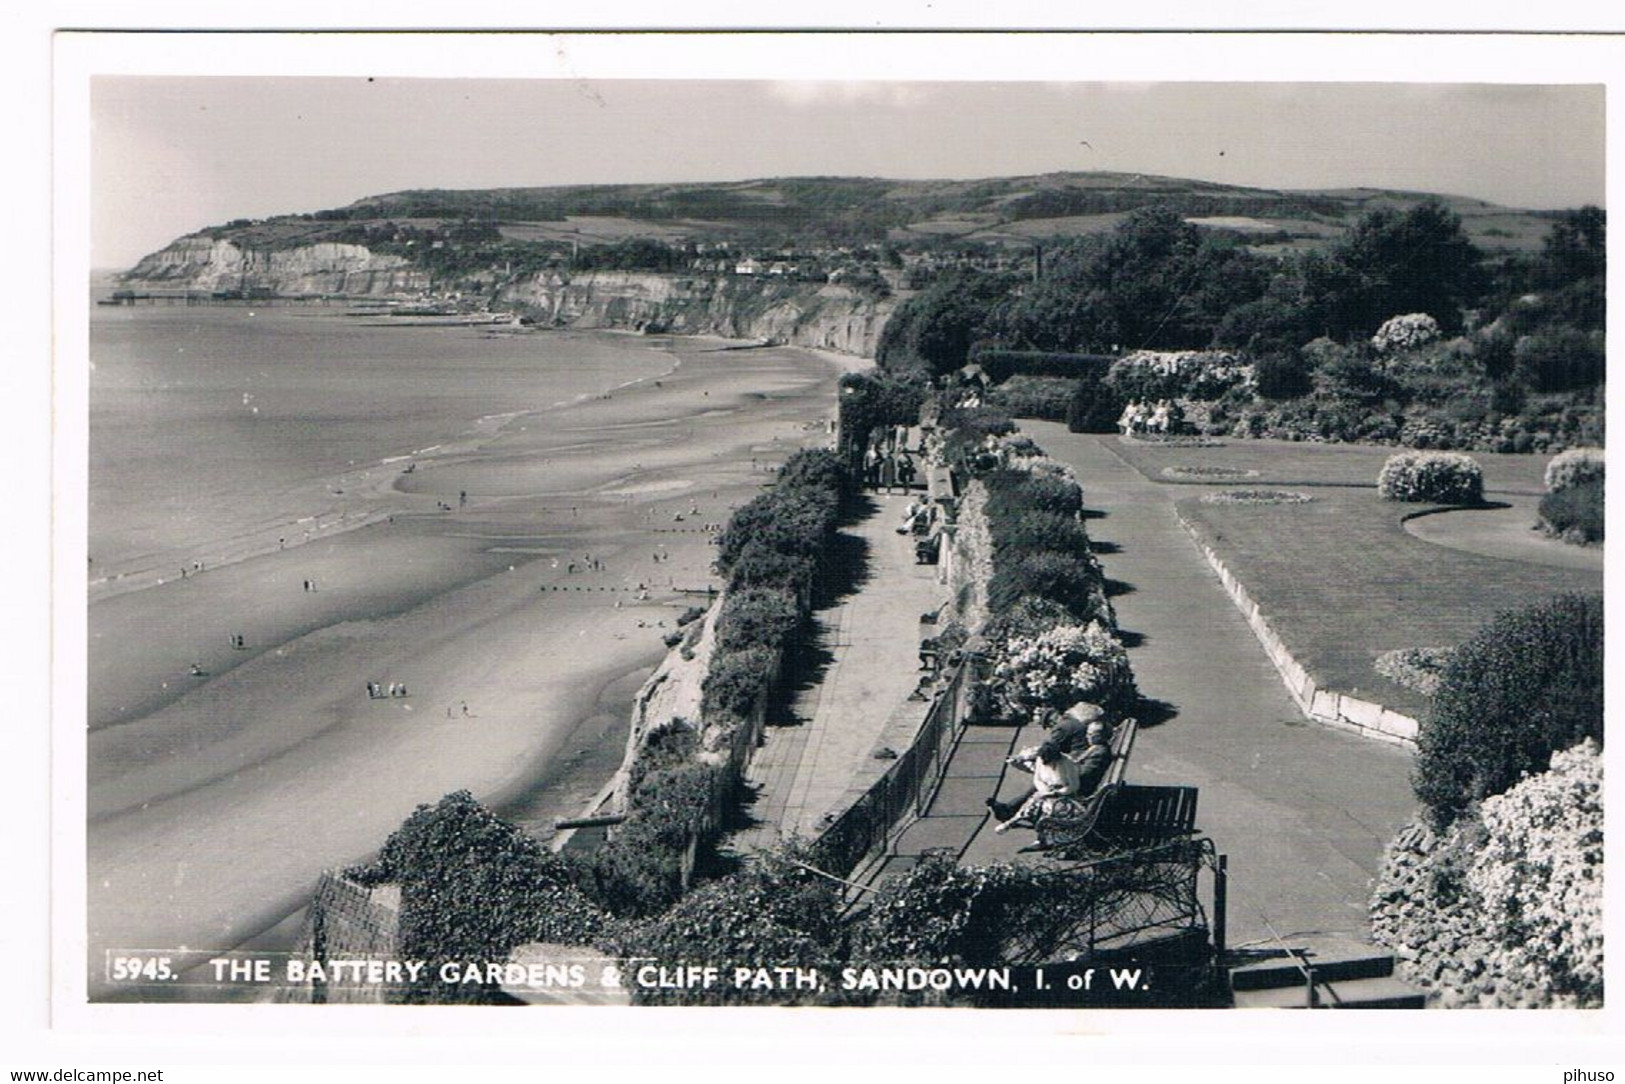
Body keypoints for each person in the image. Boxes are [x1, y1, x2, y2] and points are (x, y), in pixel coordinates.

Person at [989, 740, 1079, 833]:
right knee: (1032, 802)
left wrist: (1054, 793)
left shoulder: (1068, 763)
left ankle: (1017, 821)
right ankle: (1012, 820)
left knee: (1044, 806)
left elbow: (1073, 786)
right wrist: (1044, 791)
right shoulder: (1040, 759)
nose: (1044, 762)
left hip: (1063, 793)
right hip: (1045, 790)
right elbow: (1037, 779)